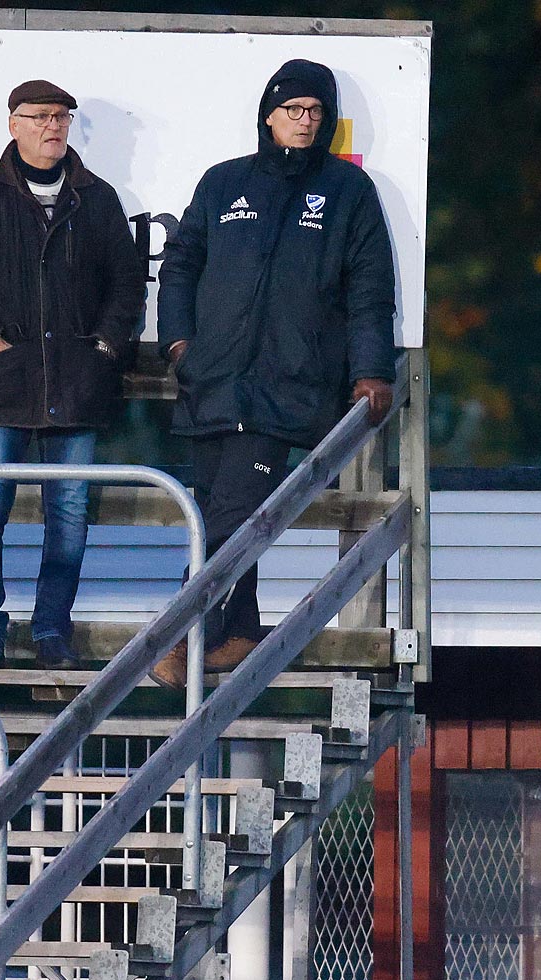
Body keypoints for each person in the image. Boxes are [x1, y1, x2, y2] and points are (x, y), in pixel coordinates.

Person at [150, 59, 396, 686]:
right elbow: (179, 264)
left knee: (232, 511)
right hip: (212, 380)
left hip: (288, 384)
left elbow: (370, 289)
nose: (305, 120)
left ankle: (183, 635)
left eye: (316, 111)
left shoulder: (348, 191)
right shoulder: (223, 183)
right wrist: (178, 343)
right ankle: (236, 630)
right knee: (215, 510)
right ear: (269, 115)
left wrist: (370, 369)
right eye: (294, 109)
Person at [0, 79, 145, 670]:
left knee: (69, 516)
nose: (54, 126)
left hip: (78, 384)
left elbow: (127, 283)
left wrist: (104, 346)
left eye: (63, 116)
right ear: (14, 124)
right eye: (42, 116)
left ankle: (52, 633)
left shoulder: (97, 199)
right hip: (5, 384)